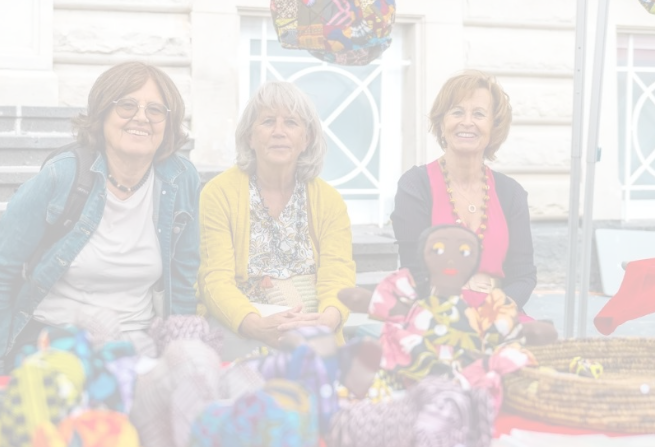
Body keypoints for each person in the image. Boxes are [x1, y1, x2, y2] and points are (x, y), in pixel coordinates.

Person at [0, 62, 201, 376]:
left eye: (156, 110)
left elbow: (183, 279)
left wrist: (179, 357)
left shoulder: (180, 179)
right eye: (127, 105)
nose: (142, 117)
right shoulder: (62, 176)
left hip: (139, 348)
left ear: (168, 124)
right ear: (102, 114)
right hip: (55, 345)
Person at [198, 81, 355, 356]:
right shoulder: (218, 194)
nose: (279, 132)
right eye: (268, 121)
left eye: (291, 123)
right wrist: (256, 325)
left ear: (306, 139)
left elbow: (339, 274)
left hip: (314, 335)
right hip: (244, 333)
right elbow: (215, 280)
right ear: (250, 137)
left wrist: (328, 319)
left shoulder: (329, 201)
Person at [390, 69, 537, 312]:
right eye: (457, 112)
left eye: (479, 114)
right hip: (434, 315)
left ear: (494, 127)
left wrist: (493, 310)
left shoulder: (511, 193)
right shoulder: (415, 185)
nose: (467, 121)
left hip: (498, 314)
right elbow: (414, 273)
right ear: (442, 122)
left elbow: (524, 277)